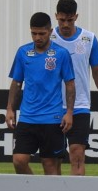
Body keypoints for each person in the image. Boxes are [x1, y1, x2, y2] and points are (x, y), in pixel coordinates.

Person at [49, 0, 98, 176]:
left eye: (70, 20)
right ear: (56, 17)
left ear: (76, 17)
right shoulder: (48, 38)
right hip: (52, 105)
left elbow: (97, 72)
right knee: (53, 159)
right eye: (62, 20)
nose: (66, 24)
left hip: (79, 105)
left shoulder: (89, 39)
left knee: (77, 154)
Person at [5, 12, 75, 175]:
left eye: (42, 33)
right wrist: (10, 108)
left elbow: (70, 84)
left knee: (50, 165)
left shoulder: (61, 53)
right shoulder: (23, 52)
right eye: (34, 33)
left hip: (52, 118)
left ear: (50, 32)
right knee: (19, 161)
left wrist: (69, 112)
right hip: (28, 117)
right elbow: (16, 83)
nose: (37, 37)